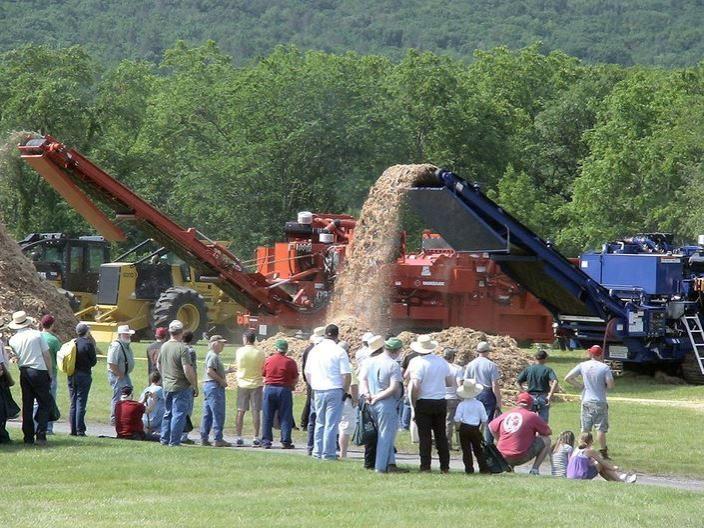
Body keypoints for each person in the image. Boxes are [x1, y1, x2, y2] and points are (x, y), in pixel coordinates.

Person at [408, 334, 455, 473]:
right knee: (440, 435)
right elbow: (449, 382)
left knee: (425, 436)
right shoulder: (441, 361)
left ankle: (425, 466)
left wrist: (414, 402)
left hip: (424, 400)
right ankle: (445, 466)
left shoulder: (417, 362)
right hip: (440, 400)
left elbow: (415, 385)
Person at [304, 324, 352, 460]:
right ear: (337, 336)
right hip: (334, 388)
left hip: (318, 389)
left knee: (320, 421)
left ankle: (317, 451)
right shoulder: (339, 351)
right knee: (331, 423)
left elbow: (307, 372)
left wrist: (313, 385)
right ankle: (328, 452)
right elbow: (346, 375)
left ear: (325, 334)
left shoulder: (315, 350)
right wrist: (344, 390)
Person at [359, 336, 406, 473]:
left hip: (370, 402)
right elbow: (394, 388)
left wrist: (367, 394)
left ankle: (391, 463)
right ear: (397, 351)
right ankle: (380, 467)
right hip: (386, 403)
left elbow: (363, 379)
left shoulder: (369, 361)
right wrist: (378, 397)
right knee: (386, 436)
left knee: (381, 433)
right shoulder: (393, 364)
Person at [7, 311, 52, 446]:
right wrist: (50, 373)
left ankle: (27, 436)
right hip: (39, 370)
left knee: (27, 404)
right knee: (45, 403)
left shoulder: (13, 340)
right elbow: (47, 355)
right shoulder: (36, 335)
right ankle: (41, 434)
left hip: (24, 371)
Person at [564, 345, 615, 459]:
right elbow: (611, 385)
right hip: (600, 401)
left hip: (586, 400)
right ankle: (603, 452)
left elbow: (568, 378)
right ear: (600, 354)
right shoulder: (604, 367)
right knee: (601, 429)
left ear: (590, 353)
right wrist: (604, 386)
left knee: (585, 428)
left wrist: (581, 386)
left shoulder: (583, 365)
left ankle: (581, 450)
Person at [489, 392, 552, 475]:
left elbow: (491, 426)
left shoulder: (506, 414)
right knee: (547, 440)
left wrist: (499, 439)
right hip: (521, 456)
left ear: (517, 403)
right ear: (531, 404)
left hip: (502, 456)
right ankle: (534, 469)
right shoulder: (532, 416)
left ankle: (509, 467)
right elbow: (547, 432)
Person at [158, 320, 198, 446]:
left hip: (167, 384)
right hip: (181, 386)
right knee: (179, 414)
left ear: (170, 332)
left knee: (167, 413)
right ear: (181, 332)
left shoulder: (164, 346)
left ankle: (164, 439)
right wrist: (194, 385)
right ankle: (174, 441)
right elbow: (187, 369)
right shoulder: (182, 348)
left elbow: (159, 364)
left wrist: (164, 376)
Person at [262, 338, 299, 449]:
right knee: (285, 416)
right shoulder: (290, 362)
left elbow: (264, 373)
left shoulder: (269, 360)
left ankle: (266, 441)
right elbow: (295, 377)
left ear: (276, 348)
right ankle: (286, 441)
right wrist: (292, 385)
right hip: (284, 389)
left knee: (267, 415)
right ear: (286, 349)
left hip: (269, 388)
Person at [464, 341, 503, 443]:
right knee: (489, 420)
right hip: (487, 393)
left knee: (474, 419)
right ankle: (488, 444)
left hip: (474, 392)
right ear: (487, 352)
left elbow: (466, 382)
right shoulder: (491, 365)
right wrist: (499, 401)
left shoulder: (470, 365)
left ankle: (474, 442)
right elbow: (494, 385)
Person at [201, 334, 234, 447]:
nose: (223, 345)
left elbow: (214, 370)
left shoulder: (212, 355)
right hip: (214, 386)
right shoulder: (213, 356)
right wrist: (221, 381)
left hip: (208, 386)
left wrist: (227, 371)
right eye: (221, 343)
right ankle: (218, 438)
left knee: (208, 413)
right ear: (215, 343)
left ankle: (204, 437)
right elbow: (210, 371)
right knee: (218, 413)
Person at [235, 329, 266, 447]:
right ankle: (256, 436)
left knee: (240, 410)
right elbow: (263, 367)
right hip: (256, 383)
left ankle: (239, 436)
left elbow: (238, 364)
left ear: (246, 339)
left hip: (242, 382)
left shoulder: (240, 351)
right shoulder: (260, 352)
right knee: (256, 411)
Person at [567, 432, 636, 483]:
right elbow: (602, 462)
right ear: (591, 441)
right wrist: (614, 468)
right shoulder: (590, 451)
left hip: (570, 476)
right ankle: (620, 481)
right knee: (601, 465)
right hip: (581, 477)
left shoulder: (576, 450)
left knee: (599, 466)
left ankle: (616, 480)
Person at [454, 378, 489, 474]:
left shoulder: (461, 404)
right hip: (475, 428)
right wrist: (481, 430)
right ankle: (483, 468)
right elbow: (484, 419)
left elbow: (457, 418)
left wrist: (458, 428)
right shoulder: (479, 404)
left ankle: (469, 469)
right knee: (478, 450)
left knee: (466, 450)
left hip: (464, 427)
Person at [68, 323, 97, 436]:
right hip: (84, 375)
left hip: (72, 374)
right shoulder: (88, 344)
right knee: (81, 402)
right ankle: (80, 429)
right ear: (86, 332)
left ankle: (73, 429)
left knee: (73, 402)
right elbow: (93, 362)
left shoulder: (72, 343)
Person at [516, 349, 558, 422]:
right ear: (545, 359)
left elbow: (517, 382)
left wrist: (523, 392)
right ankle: (540, 433)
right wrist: (550, 395)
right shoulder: (548, 370)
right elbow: (555, 381)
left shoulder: (528, 369)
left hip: (530, 397)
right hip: (543, 397)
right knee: (543, 422)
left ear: (535, 358)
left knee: (528, 420)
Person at [107, 324, 136, 425]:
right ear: (120, 335)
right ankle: (114, 418)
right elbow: (111, 363)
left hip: (123, 374)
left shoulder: (125, 345)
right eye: (126, 334)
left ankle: (124, 416)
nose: (128, 336)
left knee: (128, 393)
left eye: (128, 334)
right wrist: (119, 374)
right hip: (117, 375)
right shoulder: (116, 345)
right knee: (118, 395)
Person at [301, 326, 324, 449]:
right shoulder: (316, 351)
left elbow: (304, 366)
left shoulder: (308, 350)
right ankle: (306, 422)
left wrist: (306, 379)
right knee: (312, 404)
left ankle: (305, 422)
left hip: (310, 379)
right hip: (317, 380)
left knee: (309, 402)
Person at [37, 314, 61, 435]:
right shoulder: (54, 340)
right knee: (50, 400)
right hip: (50, 372)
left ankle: (35, 425)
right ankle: (48, 427)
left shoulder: (37, 337)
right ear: (52, 325)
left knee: (37, 401)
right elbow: (58, 358)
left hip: (37, 371)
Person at [337, 340, 358, 458]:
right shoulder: (348, 366)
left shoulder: (333, 363)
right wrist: (355, 399)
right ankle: (343, 453)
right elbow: (353, 385)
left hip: (333, 396)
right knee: (345, 426)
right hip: (346, 398)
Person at [443, 348, 463, 450]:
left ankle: (446, 442)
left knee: (445, 421)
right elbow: (460, 384)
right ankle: (458, 443)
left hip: (441, 397)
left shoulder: (440, 367)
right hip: (454, 397)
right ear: (452, 357)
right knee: (456, 422)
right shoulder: (458, 369)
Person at [180, 330, 197, 444]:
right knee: (188, 410)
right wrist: (195, 385)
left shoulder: (179, 348)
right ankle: (184, 435)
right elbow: (192, 369)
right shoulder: (191, 351)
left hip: (178, 382)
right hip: (188, 383)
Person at [140, 371, 165, 437]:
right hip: (154, 420)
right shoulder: (159, 389)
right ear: (160, 379)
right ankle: (160, 431)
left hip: (144, 419)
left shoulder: (146, 390)